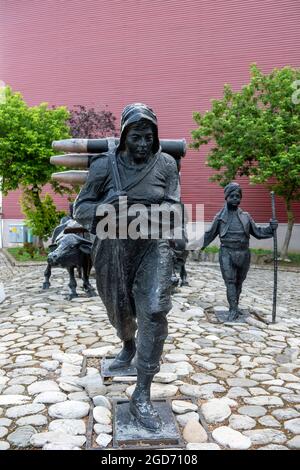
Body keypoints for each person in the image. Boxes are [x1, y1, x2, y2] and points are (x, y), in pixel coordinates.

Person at [74, 103, 181, 430]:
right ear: (123, 136)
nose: (143, 143)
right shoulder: (105, 167)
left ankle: (142, 394)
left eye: (149, 137)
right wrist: (107, 205)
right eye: (136, 136)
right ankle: (128, 344)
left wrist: (138, 215)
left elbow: (175, 211)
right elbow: (81, 209)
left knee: (153, 310)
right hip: (113, 249)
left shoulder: (165, 165)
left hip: (153, 246)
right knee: (120, 311)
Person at [201, 182, 278, 321]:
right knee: (230, 281)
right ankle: (233, 309)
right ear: (226, 197)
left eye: (238, 196)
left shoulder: (246, 216)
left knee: (239, 282)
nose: (235, 198)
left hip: (243, 253)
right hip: (227, 252)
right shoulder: (220, 217)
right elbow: (209, 234)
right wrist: (196, 244)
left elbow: (258, 232)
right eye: (232, 196)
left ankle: (235, 305)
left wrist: (271, 228)